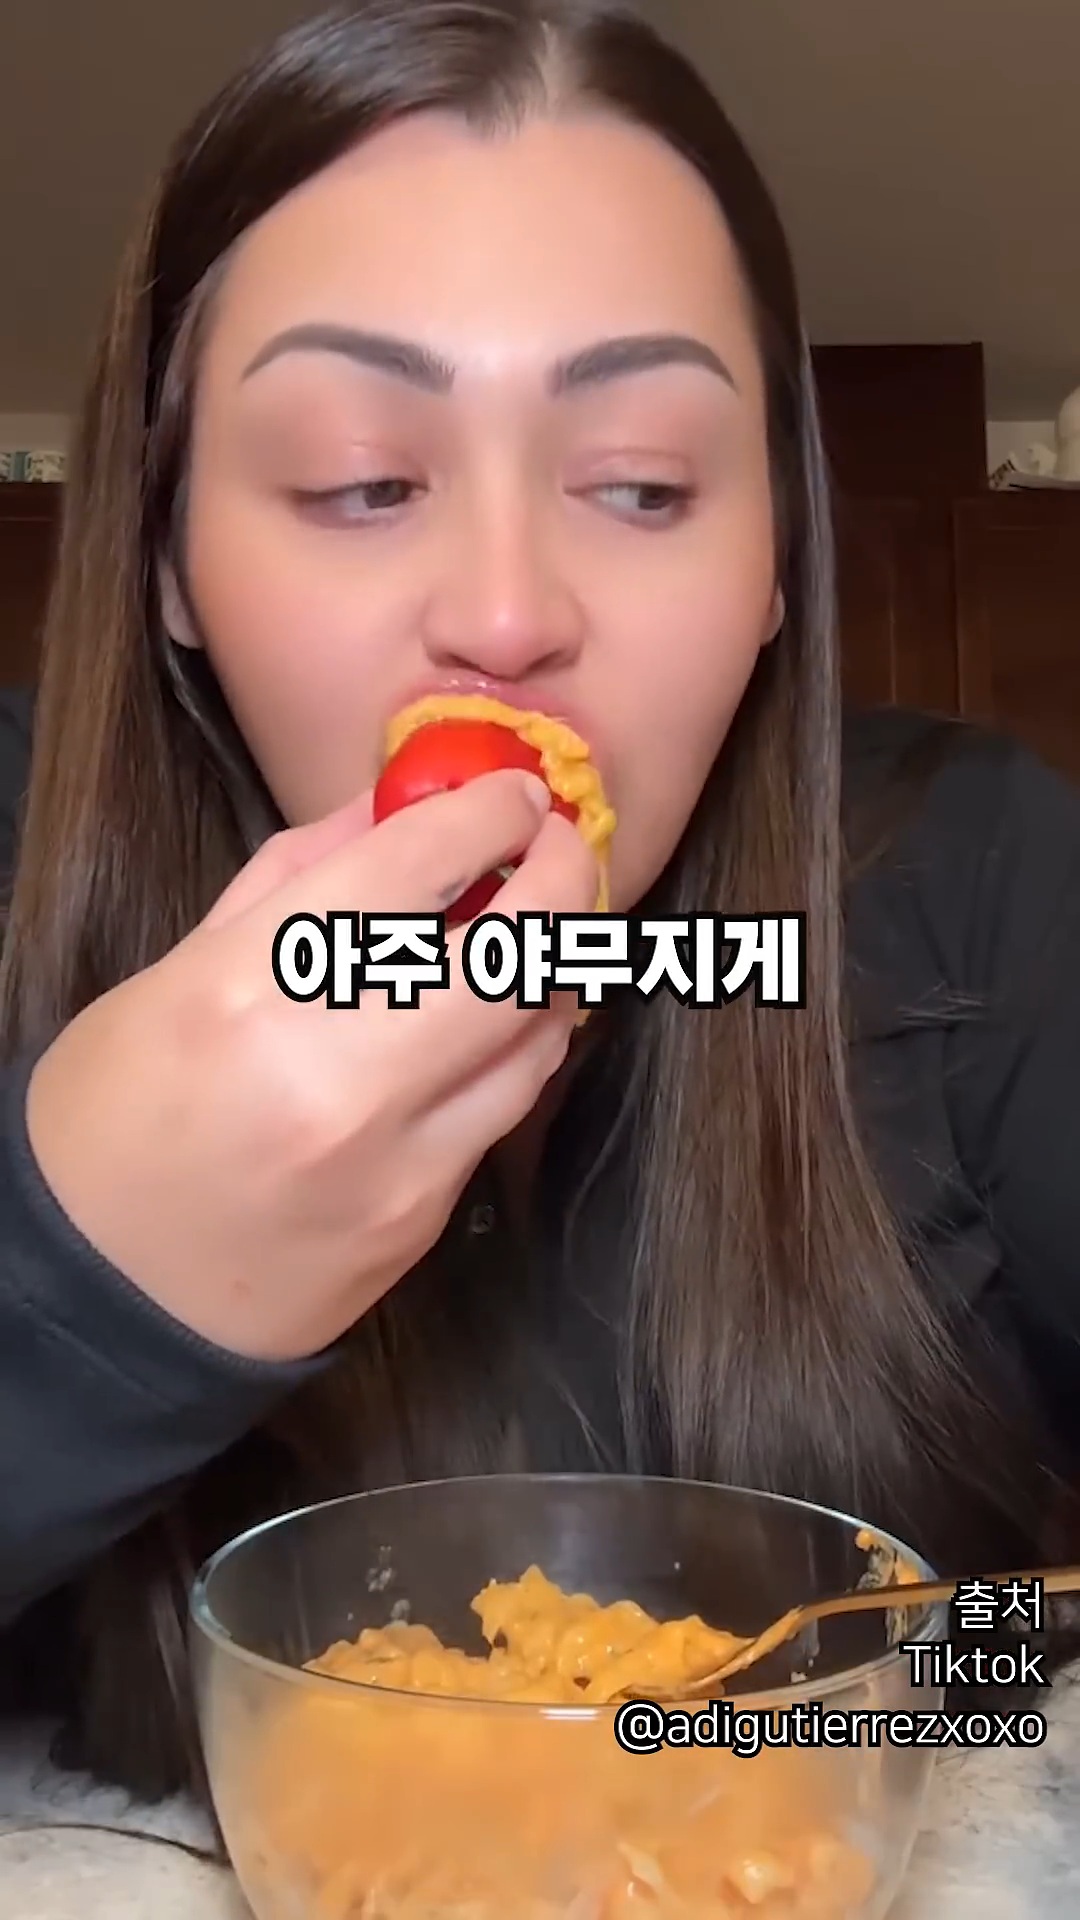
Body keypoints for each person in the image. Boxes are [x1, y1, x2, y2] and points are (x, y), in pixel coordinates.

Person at [1, 0, 1078, 1808]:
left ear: (774, 569)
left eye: (643, 485)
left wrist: (840, 1714)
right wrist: (81, 1292)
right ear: (169, 561)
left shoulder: (975, 877)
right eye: (360, 480)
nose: (505, 615)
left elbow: (1032, 1650)